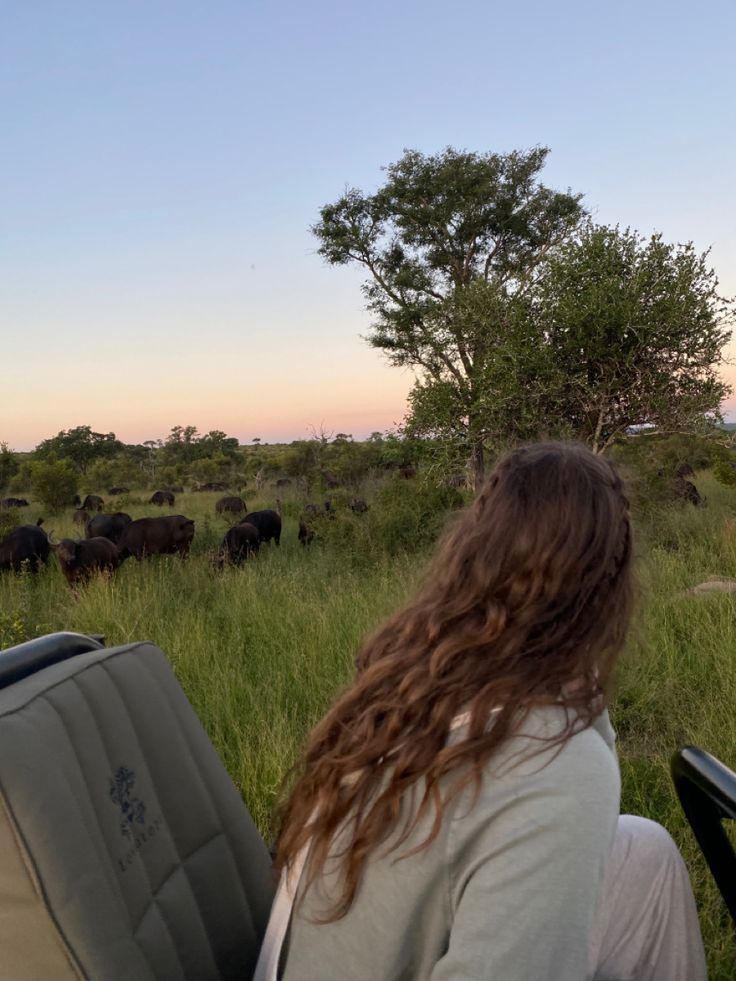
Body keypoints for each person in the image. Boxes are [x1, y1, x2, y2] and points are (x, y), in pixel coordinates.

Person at [256, 443, 707, 981]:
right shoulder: (556, 755)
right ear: (613, 584)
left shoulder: (414, 669)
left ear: (474, 549)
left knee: (647, 852)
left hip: (319, 956)